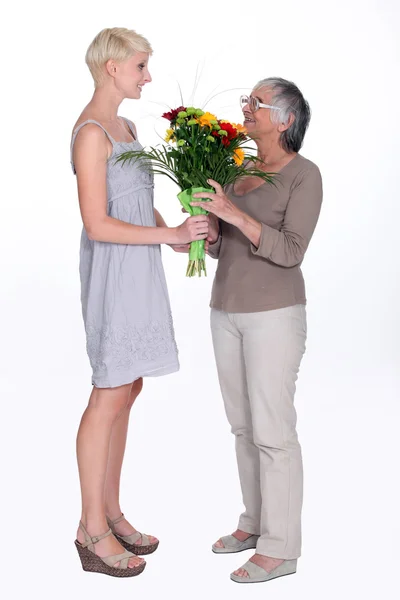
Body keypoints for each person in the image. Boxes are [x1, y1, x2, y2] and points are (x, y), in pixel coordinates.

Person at [70, 27, 209, 577]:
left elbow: (134, 203)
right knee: (108, 391)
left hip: (140, 268)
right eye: (141, 66)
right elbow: (97, 223)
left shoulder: (125, 126)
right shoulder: (90, 133)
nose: (147, 77)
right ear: (112, 67)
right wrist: (168, 237)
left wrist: (173, 230)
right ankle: (91, 529)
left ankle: (111, 510)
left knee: (129, 386)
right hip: (113, 272)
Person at [191, 77, 323, 584]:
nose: (246, 107)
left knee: (273, 432)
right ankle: (255, 523)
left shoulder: (304, 175)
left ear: (285, 119)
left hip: (274, 315)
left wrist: (232, 216)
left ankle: (281, 547)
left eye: (256, 102)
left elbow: (290, 251)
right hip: (225, 308)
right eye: (247, 100)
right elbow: (231, 245)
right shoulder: (241, 168)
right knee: (243, 428)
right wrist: (205, 232)